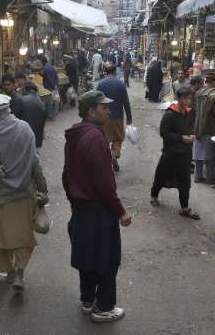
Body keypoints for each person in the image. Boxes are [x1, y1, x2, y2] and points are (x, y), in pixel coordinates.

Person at [63, 91, 132, 322]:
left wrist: (74, 202)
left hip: (81, 208)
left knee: (88, 256)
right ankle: (103, 307)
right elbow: (104, 184)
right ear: (91, 111)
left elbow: (66, 175)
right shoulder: (95, 139)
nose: (109, 111)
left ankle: (87, 300)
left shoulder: (76, 134)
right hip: (97, 209)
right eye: (104, 108)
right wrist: (120, 211)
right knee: (106, 259)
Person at [0, 93, 49, 292]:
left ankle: (10, 271)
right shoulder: (24, 129)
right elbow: (34, 162)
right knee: (23, 236)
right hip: (23, 193)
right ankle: (20, 272)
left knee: (1, 236)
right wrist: (43, 188)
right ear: (8, 109)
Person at [150, 85, 198, 219]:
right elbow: (163, 133)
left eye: (189, 98)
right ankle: (154, 195)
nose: (188, 101)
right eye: (185, 98)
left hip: (185, 154)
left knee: (185, 182)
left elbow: (189, 129)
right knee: (161, 176)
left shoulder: (188, 113)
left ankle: (184, 207)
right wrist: (181, 138)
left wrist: (192, 136)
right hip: (170, 153)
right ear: (178, 99)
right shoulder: (170, 114)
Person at [96, 63, 132, 172]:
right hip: (118, 117)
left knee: (105, 139)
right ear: (115, 71)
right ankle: (114, 154)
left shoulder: (100, 84)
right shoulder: (120, 84)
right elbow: (126, 102)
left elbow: (96, 100)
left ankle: (105, 158)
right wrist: (129, 117)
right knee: (117, 138)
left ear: (105, 71)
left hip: (103, 117)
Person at [193, 72, 215, 184]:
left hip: (197, 127)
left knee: (198, 155)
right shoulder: (214, 95)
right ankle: (210, 178)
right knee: (210, 156)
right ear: (214, 82)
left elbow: (193, 109)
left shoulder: (198, 92)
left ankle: (197, 177)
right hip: (210, 128)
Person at [18, 83, 47, 149]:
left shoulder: (21, 100)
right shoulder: (41, 103)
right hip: (38, 137)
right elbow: (44, 120)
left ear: (25, 90)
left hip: (25, 137)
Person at [40, 55, 59, 119]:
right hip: (53, 86)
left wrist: (53, 86)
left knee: (49, 102)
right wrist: (56, 84)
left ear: (42, 62)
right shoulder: (51, 66)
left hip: (48, 87)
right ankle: (52, 114)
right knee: (52, 101)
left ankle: (50, 115)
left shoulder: (45, 68)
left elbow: (49, 78)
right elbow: (56, 76)